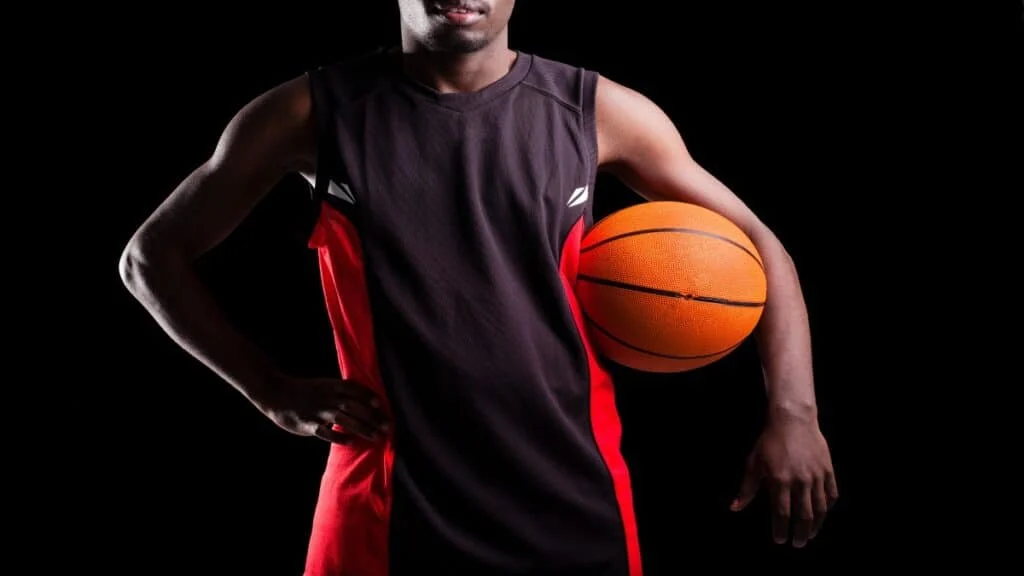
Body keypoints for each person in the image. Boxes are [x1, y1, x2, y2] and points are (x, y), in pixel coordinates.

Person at [119, 1, 838, 574]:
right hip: (384, 507)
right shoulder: (309, 114)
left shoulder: (596, 111)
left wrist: (795, 414)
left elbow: (761, 247)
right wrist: (268, 388)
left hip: (574, 504)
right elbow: (150, 256)